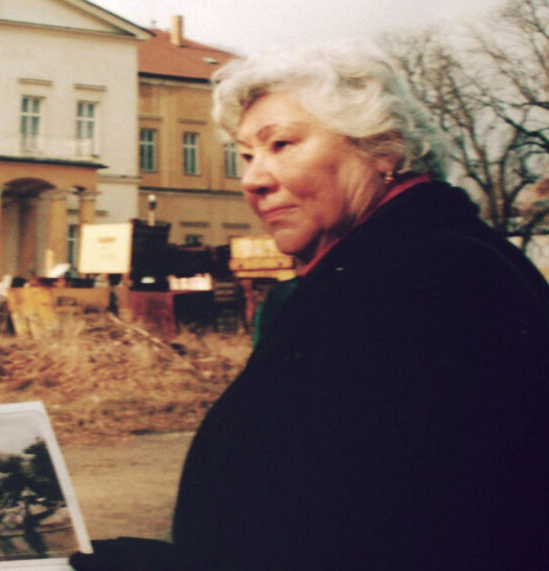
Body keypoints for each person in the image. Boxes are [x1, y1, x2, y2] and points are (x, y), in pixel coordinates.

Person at [70, 43, 549, 570]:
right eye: (247, 156)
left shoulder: (431, 279)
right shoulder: (385, 268)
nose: (252, 179)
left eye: (282, 144)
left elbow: (392, 533)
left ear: (381, 148)